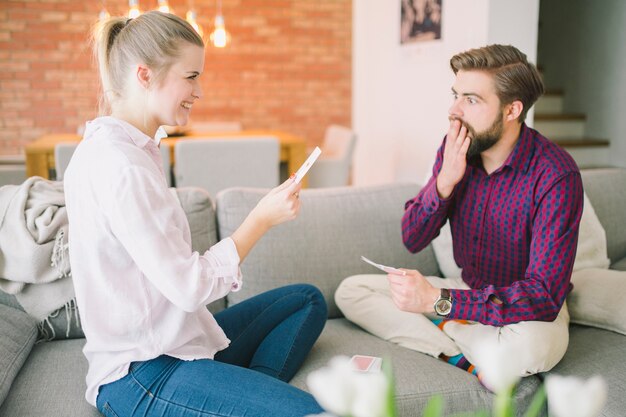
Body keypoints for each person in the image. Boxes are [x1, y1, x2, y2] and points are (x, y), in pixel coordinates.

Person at [64, 11, 327, 417]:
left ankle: (238, 398)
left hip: (178, 344)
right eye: (190, 76)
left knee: (305, 300)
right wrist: (260, 219)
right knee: (314, 412)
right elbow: (188, 287)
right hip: (142, 375)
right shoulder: (122, 166)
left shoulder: (127, 150)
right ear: (145, 75)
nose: (199, 90)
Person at [335, 44, 583, 384]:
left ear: (512, 110)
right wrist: (443, 183)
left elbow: (542, 295)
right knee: (351, 291)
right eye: (456, 95)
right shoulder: (455, 149)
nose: (453, 110)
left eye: (471, 99)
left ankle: (444, 322)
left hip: (524, 313)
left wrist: (440, 303)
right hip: (467, 290)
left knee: (527, 350)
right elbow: (412, 238)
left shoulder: (555, 175)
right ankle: (459, 353)